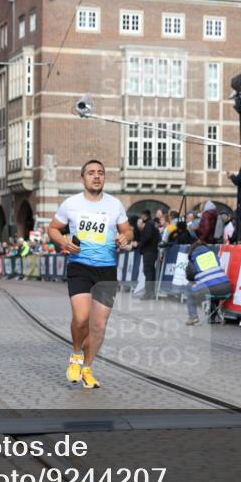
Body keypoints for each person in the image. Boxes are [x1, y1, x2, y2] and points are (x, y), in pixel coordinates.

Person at [48, 159, 132, 389]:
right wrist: (64, 241)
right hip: (80, 266)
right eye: (92, 173)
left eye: (101, 173)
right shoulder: (71, 204)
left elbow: (128, 231)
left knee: (99, 325)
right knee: (82, 317)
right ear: (82, 178)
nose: (97, 176)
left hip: (106, 269)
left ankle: (87, 368)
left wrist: (126, 238)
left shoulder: (115, 205)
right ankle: (76, 355)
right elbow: (53, 228)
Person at [184, 240, 232, 325]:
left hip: (211, 289)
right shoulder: (213, 255)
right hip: (226, 288)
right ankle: (212, 317)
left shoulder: (194, 258)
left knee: (189, 286)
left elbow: (189, 276)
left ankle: (193, 317)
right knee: (213, 284)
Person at [136, 209, 159, 299]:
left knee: (148, 272)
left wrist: (141, 244)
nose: (141, 218)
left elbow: (147, 237)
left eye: (141, 216)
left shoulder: (149, 224)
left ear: (144, 216)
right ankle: (151, 292)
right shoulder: (152, 224)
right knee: (150, 272)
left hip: (149, 251)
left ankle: (149, 293)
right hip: (152, 250)